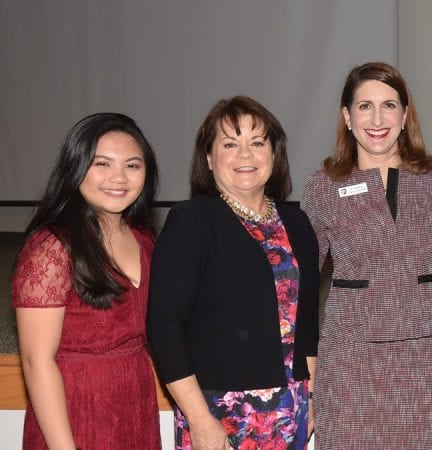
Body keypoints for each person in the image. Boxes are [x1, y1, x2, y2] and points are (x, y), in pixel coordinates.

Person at [147, 96, 319, 450]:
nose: (245, 155)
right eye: (230, 144)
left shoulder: (298, 223)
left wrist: (312, 395)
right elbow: (164, 327)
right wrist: (198, 419)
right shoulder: (191, 221)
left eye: (257, 143)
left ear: (274, 154)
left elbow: (308, 322)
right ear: (209, 158)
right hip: (221, 412)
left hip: (293, 406)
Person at [301, 62, 432, 449]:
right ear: (347, 117)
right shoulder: (323, 187)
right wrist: (308, 381)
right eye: (365, 106)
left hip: (424, 365)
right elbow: (300, 289)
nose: (377, 118)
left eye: (389, 105)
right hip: (348, 367)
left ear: (405, 116)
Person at [12, 113, 161, 449]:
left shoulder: (145, 239)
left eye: (133, 166)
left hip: (134, 400)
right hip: (74, 410)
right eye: (102, 164)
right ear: (76, 167)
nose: (118, 178)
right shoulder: (51, 247)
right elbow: (37, 361)